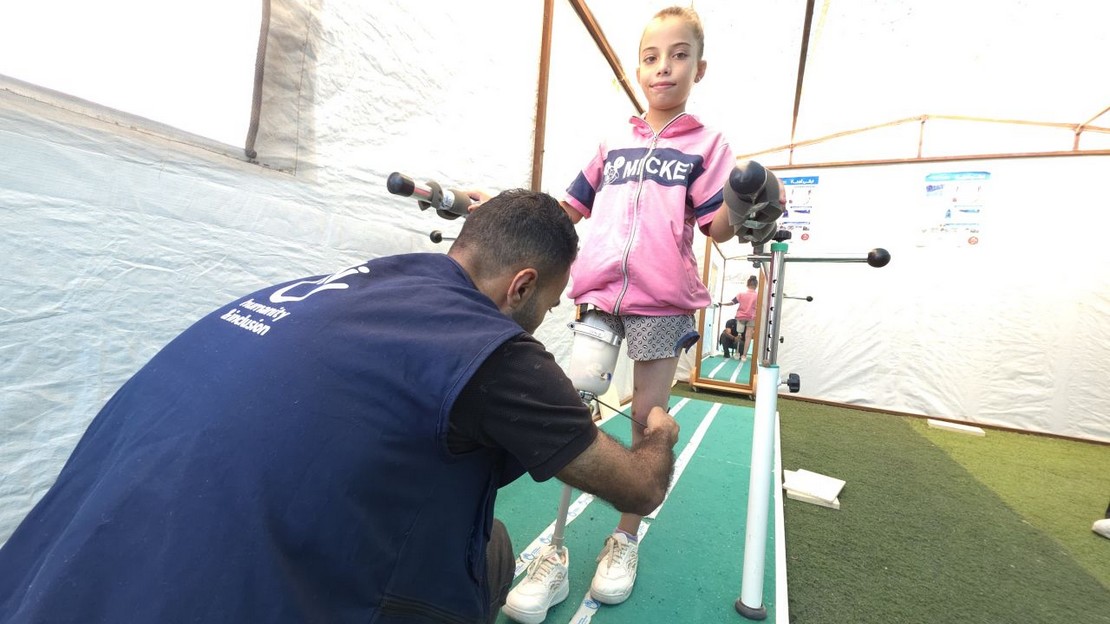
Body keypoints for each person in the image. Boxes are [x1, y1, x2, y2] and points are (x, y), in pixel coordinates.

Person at [0, 190, 681, 624]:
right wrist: (658, 431)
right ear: (522, 285)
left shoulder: (350, 284)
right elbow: (639, 486)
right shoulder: (493, 350)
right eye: (547, 307)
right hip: (220, 593)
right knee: (490, 552)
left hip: (51, 567)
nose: (541, 322)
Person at [503, 6, 741, 618]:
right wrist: (506, 209)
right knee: (577, 402)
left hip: (662, 301)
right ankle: (553, 552)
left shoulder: (709, 145)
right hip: (600, 290)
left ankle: (624, 539)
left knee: (645, 417)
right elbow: (568, 206)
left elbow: (718, 227)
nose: (664, 68)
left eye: (679, 55)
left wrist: (745, 194)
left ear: (700, 66)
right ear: (637, 66)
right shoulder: (613, 140)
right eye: (652, 57)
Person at [721, 275, 760, 362]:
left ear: (747, 284)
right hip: (752, 317)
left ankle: (737, 352)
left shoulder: (741, 294)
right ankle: (744, 356)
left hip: (741, 317)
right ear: (756, 285)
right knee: (748, 337)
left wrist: (722, 304)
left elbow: (732, 303)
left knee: (739, 334)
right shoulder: (758, 296)